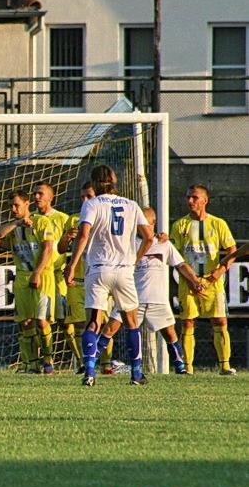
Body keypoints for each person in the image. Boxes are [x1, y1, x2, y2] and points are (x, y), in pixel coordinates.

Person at [64, 165, 154, 387]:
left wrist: (72, 265)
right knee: (131, 323)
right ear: (114, 181)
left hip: (99, 269)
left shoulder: (92, 204)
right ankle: (135, 373)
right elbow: (149, 237)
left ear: (94, 183)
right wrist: (133, 259)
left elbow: (84, 235)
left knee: (93, 322)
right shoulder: (132, 205)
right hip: (124, 270)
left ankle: (90, 373)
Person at [99, 207, 205, 374]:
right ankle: (90, 362)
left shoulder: (164, 244)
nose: (141, 227)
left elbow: (181, 265)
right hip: (131, 298)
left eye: (145, 224)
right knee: (110, 327)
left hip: (158, 298)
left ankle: (180, 367)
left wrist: (194, 280)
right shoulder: (128, 244)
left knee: (169, 333)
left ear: (153, 223)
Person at [0, 190, 59, 375]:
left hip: (43, 276)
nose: (13, 209)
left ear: (27, 204)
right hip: (21, 278)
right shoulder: (14, 227)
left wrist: (37, 272)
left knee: (41, 321)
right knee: (25, 322)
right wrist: (15, 223)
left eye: (17, 205)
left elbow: (48, 248)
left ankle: (47, 359)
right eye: (11, 206)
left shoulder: (41, 222)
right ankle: (31, 364)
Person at [169, 185, 237, 375]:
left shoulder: (218, 224)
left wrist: (220, 270)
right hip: (187, 283)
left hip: (212, 282)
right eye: (188, 197)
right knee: (188, 322)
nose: (190, 201)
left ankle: (224, 365)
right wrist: (191, 279)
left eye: (195, 198)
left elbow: (232, 251)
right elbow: (175, 256)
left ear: (205, 200)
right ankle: (188, 368)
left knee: (220, 320)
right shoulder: (180, 225)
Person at [32, 181, 73, 371]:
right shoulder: (31, 220)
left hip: (59, 277)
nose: (36, 197)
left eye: (41, 193)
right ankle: (47, 360)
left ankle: (81, 361)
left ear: (51, 197)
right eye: (34, 194)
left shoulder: (63, 219)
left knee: (65, 321)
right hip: (41, 275)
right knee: (41, 320)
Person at [57, 181, 94, 374]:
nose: (85, 200)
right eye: (82, 197)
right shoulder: (73, 220)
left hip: (98, 277)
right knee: (80, 323)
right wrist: (67, 238)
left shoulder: (102, 216)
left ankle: (104, 363)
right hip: (76, 280)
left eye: (89, 196)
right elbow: (61, 249)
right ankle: (83, 362)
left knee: (101, 324)